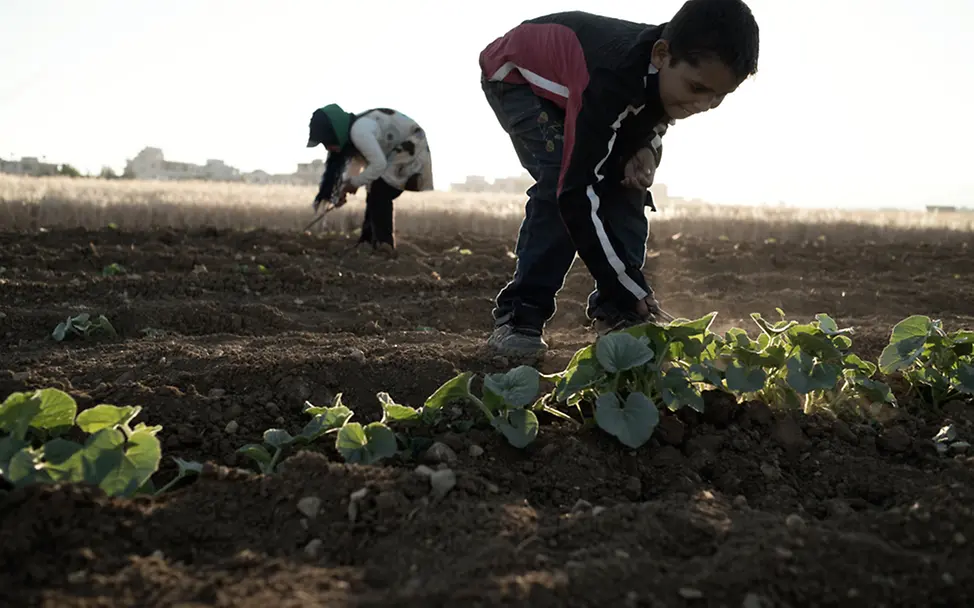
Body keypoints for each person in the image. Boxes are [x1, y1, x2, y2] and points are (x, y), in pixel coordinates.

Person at [478, 0, 759, 357]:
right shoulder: (611, 79)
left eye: (720, 97)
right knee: (560, 182)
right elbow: (576, 194)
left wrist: (647, 148)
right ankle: (519, 316)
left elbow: (654, 113)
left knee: (629, 183)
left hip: (583, 91)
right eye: (697, 88)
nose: (705, 104)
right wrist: (629, 284)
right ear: (661, 55)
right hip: (518, 78)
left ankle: (618, 315)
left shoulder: (662, 70)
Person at [306, 104, 434, 255]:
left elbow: (379, 165)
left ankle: (384, 246)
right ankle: (367, 241)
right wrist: (344, 189)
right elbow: (356, 168)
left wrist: (353, 183)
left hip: (411, 148)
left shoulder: (359, 132)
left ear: (335, 133)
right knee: (374, 189)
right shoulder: (354, 133)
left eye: (326, 142)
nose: (327, 148)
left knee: (380, 191)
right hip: (395, 153)